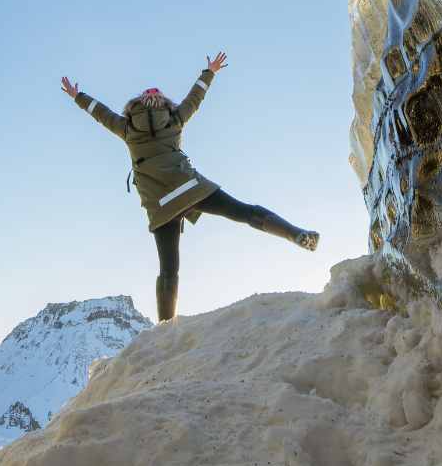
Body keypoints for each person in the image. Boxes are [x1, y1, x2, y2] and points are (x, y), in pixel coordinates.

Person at [61, 52, 319, 322]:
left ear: (135, 106)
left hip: (161, 206)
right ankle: (297, 235)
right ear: (163, 103)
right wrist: (209, 72)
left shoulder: (126, 129)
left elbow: (100, 114)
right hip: (191, 188)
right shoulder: (174, 119)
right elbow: (194, 99)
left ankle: (164, 328)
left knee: (168, 270)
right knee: (244, 212)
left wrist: (78, 97)